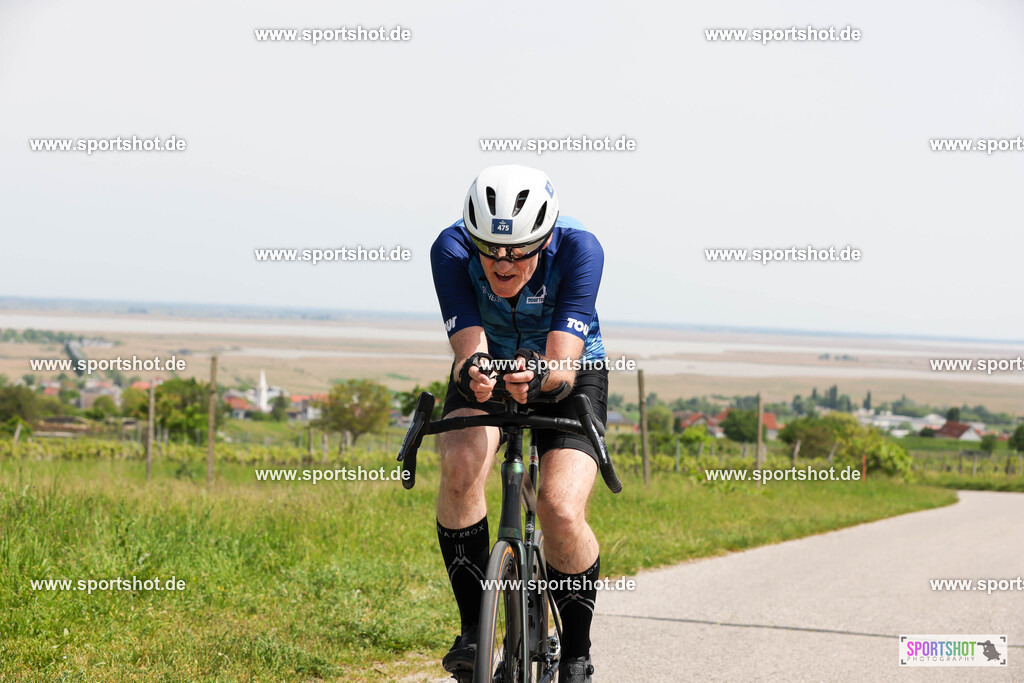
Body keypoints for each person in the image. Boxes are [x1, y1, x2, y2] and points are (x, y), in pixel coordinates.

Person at [429, 164, 607, 682]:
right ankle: (472, 634)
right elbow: (469, 350)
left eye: (519, 251)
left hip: (563, 371)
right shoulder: (451, 250)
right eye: (490, 249)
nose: (502, 264)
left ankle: (576, 654)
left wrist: (538, 375)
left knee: (558, 504)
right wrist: (474, 375)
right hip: (490, 363)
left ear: (546, 236)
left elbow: (562, 366)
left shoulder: (580, 249)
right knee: (461, 463)